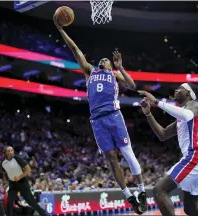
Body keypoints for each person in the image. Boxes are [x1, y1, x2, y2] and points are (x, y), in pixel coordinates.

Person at [53, 15, 147, 214]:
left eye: (107, 60)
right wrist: (61, 30)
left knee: (127, 152)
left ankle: (142, 191)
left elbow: (132, 85)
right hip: (97, 121)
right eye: (102, 59)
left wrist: (120, 66)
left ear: (111, 66)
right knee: (111, 159)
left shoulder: (114, 74)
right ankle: (129, 196)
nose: (103, 60)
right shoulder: (90, 71)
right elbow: (75, 49)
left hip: (114, 115)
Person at [138, 83, 198, 216]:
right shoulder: (181, 116)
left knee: (159, 190)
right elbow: (163, 134)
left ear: (188, 93)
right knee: (191, 208)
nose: (176, 90)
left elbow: (186, 115)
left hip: (195, 156)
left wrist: (156, 102)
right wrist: (148, 114)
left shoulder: (195, 106)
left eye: (180, 88)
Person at [1, 146, 47, 216]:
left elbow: (28, 169)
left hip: (22, 182)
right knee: (9, 202)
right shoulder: (3, 163)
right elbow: (4, 174)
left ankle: (43, 214)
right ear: (5, 153)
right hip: (13, 184)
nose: (11, 152)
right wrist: (7, 182)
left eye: (12, 150)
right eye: (9, 151)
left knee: (31, 202)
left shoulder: (18, 159)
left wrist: (19, 177)